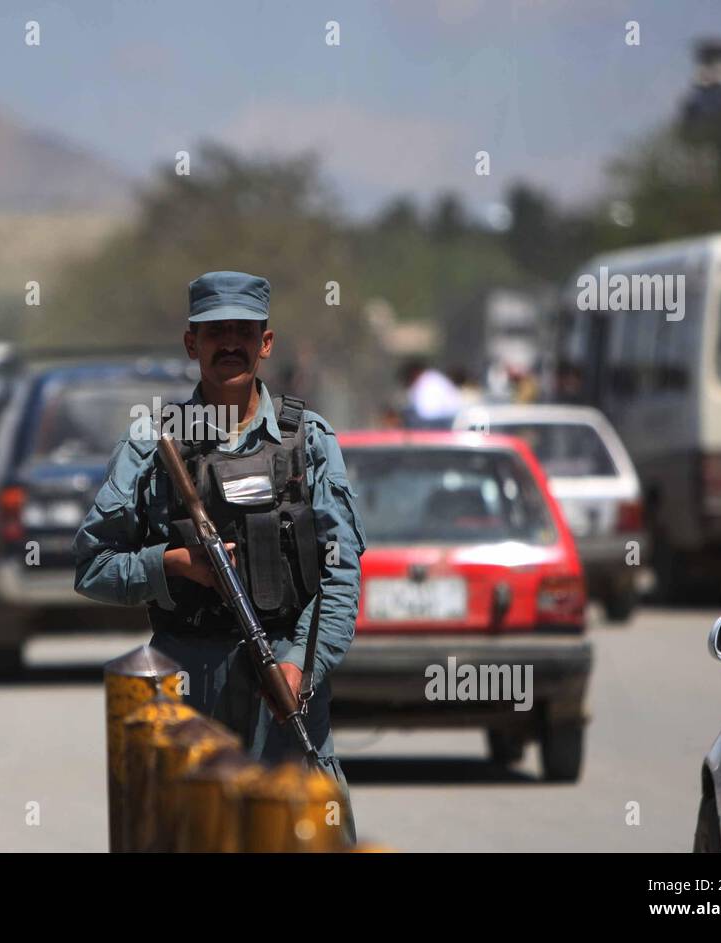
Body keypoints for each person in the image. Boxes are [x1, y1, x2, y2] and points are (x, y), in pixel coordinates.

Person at [73, 271, 366, 844]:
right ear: (192, 344)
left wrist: (300, 668)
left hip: (284, 688)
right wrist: (171, 565)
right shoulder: (151, 444)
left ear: (266, 342)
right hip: (187, 693)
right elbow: (92, 566)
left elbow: (340, 573)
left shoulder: (308, 441)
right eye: (215, 332)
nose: (229, 343)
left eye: (243, 331)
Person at [397, 357, 463, 427]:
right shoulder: (429, 378)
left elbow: (427, 412)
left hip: (444, 422)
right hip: (441, 419)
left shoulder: (429, 381)